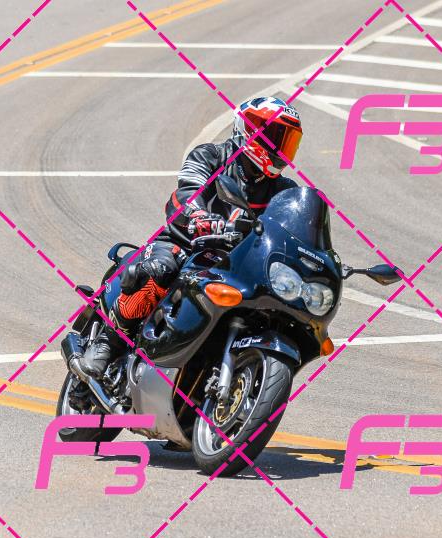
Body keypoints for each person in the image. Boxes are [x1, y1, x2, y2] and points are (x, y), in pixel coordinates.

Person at [81, 96, 304, 378]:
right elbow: (188, 191)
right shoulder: (210, 156)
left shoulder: (285, 190)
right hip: (184, 243)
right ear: (250, 130)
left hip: (235, 263)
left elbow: (293, 228)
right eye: (276, 137)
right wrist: (199, 216)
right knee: (162, 269)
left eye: (288, 141)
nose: (281, 148)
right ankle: (108, 342)